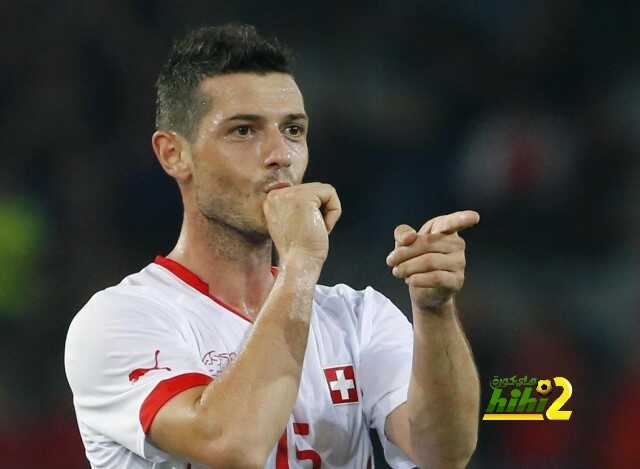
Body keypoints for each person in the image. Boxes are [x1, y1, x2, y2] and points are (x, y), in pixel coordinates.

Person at [64, 23, 480, 469]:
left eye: (294, 130)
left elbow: (443, 454)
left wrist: (435, 312)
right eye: (244, 131)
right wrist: (300, 261)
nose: (279, 154)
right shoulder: (120, 320)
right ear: (173, 154)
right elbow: (232, 445)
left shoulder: (357, 318)